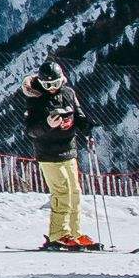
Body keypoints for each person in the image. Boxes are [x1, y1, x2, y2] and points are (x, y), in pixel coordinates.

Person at [24, 60, 98, 251]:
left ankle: (74, 232)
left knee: (75, 192)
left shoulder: (68, 93)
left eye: (55, 84)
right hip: (48, 153)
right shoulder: (36, 100)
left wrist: (86, 125)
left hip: (69, 150)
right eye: (47, 85)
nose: (52, 88)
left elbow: (79, 116)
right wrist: (48, 123)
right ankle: (58, 234)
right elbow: (31, 131)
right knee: (62, 191)